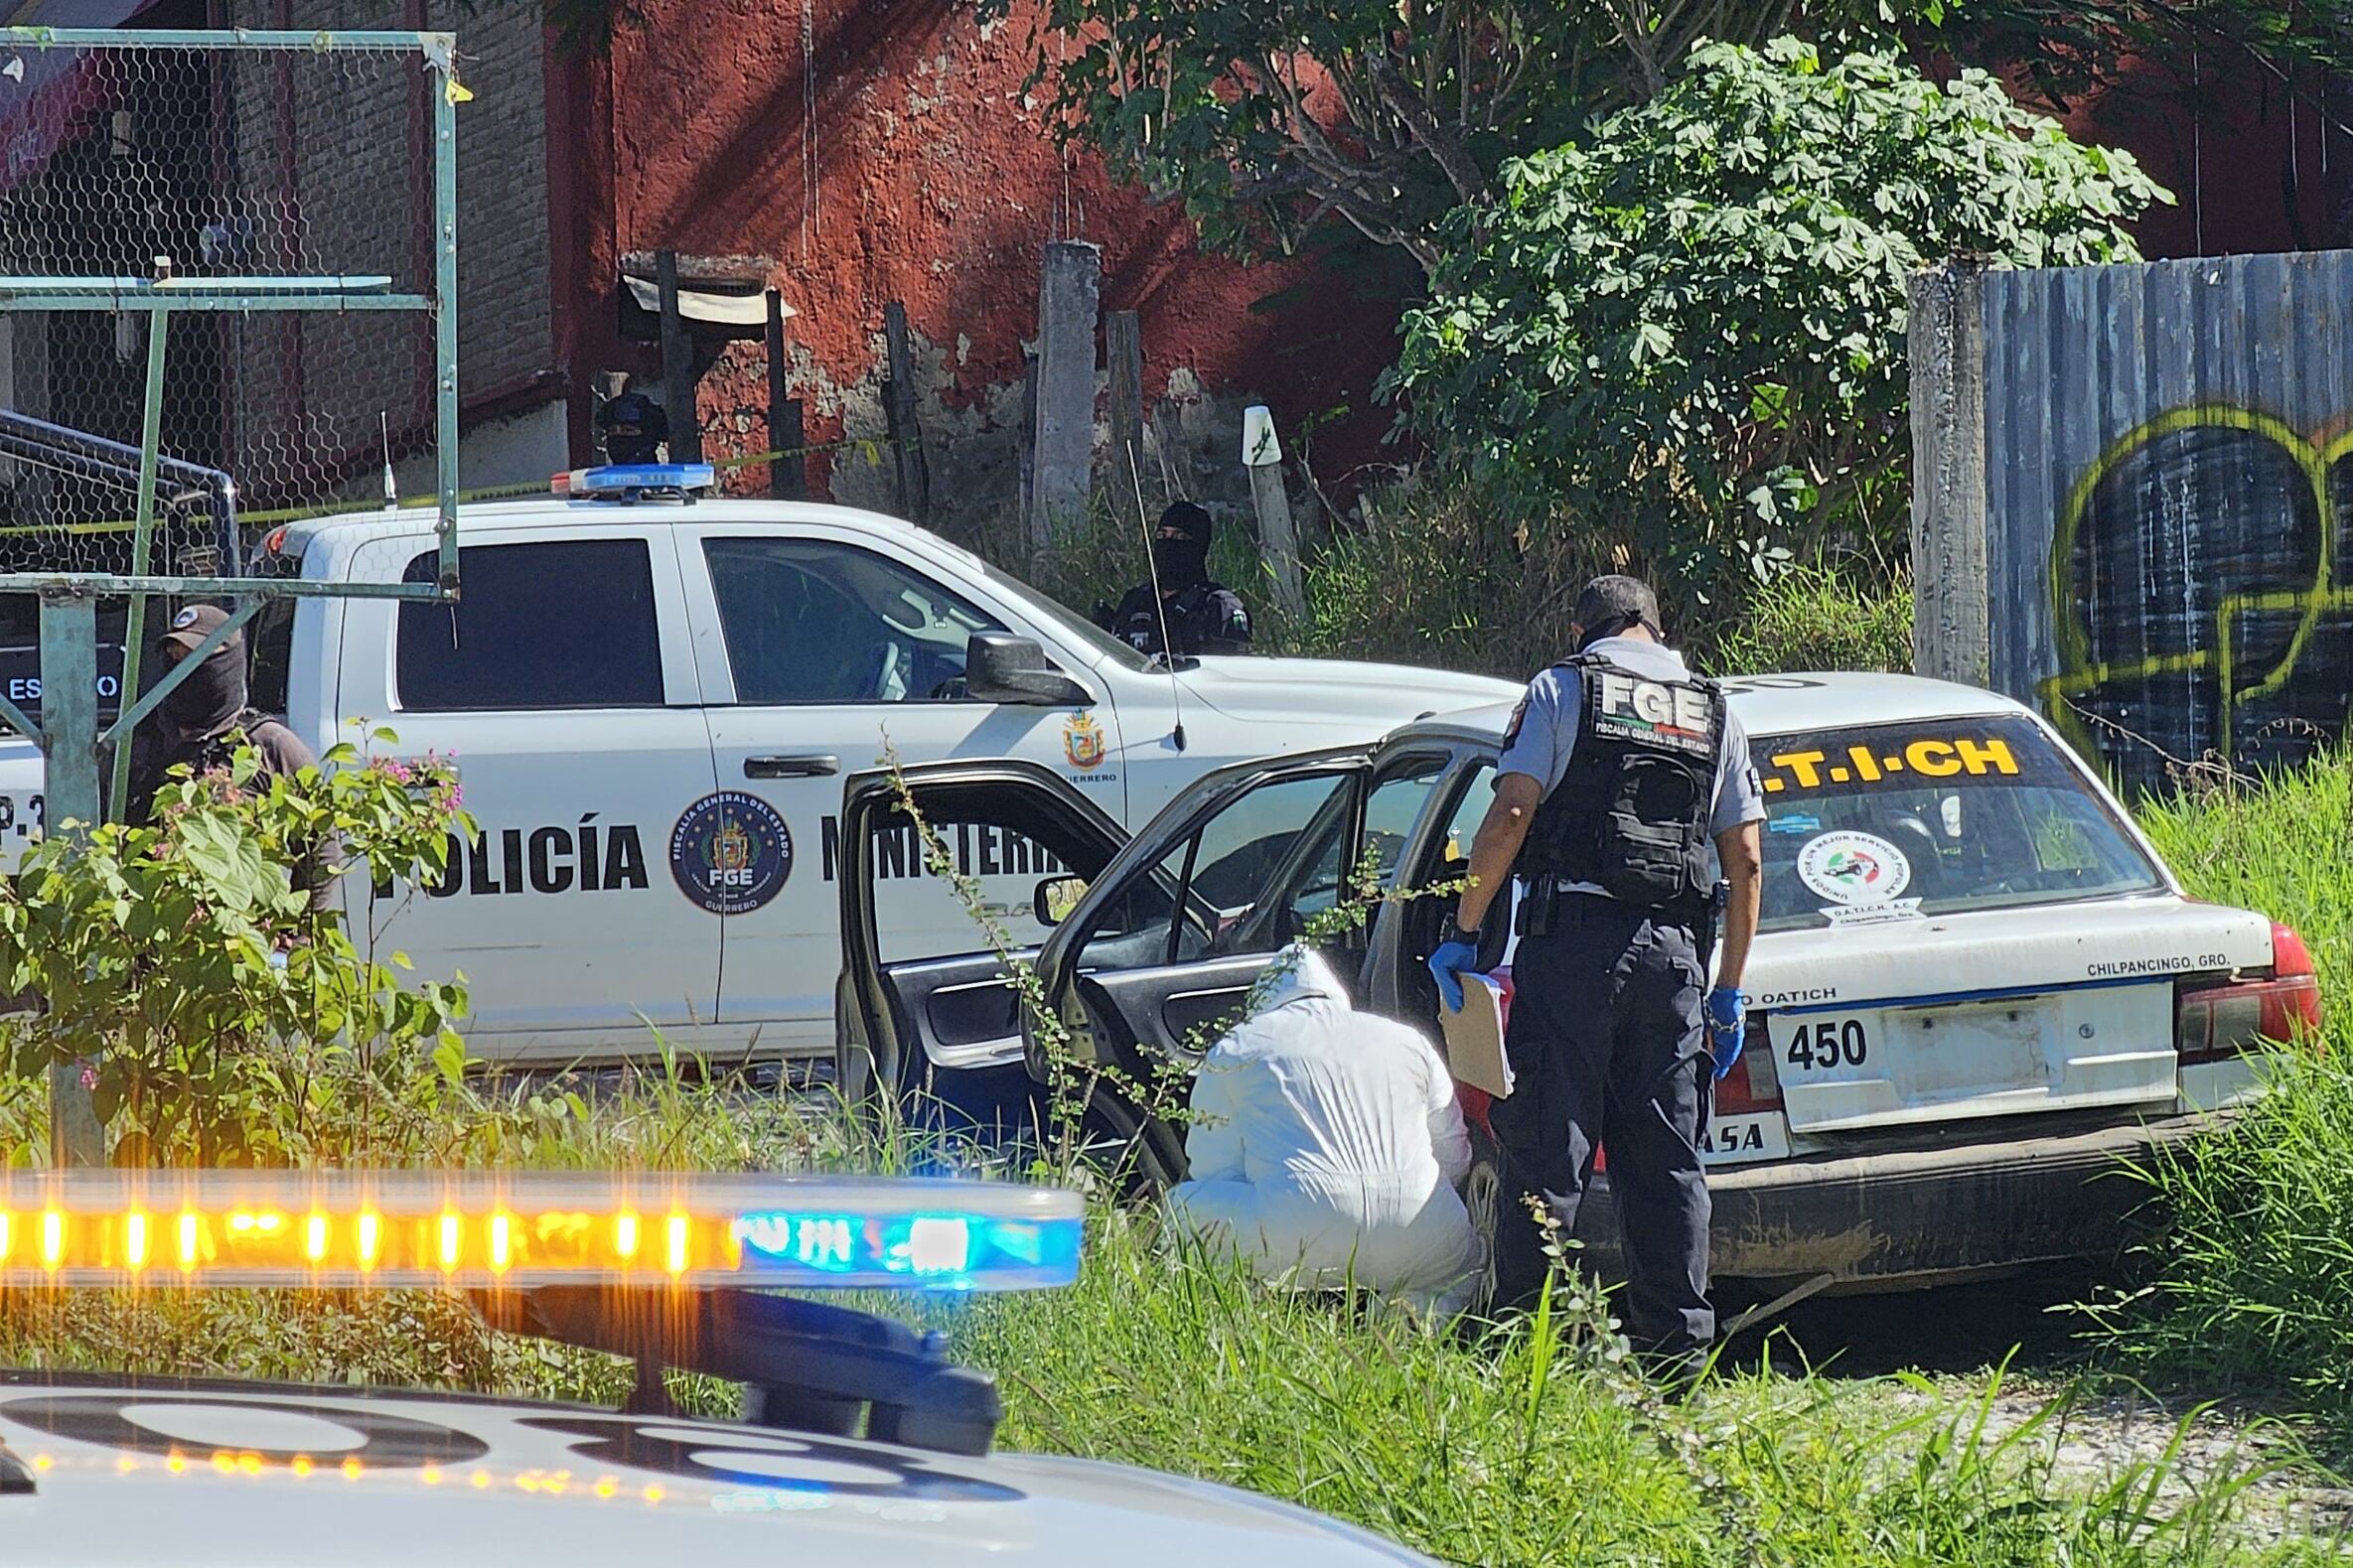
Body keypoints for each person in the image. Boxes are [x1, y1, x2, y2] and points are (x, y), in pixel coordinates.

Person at [1428, 575, 1764, 1381]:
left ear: (1585, 628)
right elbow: (1745, 857)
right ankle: (1676, 1364)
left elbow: (1510, 815)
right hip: (1676, 962)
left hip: (1573, 950)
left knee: (1546, 1154)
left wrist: (1465, 930)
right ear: (1654, 624)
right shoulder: (1717, 711)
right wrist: (1727, 987)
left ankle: (1525, 1360)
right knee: (1668, 1163)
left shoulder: (1560, 687)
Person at [1167, 945, 1482, 1318]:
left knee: (1181, 1210)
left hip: (1296, 1233)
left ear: (1263, 1000)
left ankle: (1238, 1325)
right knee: (1462, 1268)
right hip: (1421, 1228)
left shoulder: (1236, 1048)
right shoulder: (1407, 1038)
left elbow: (1212, 1169)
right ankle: (1405, 1325)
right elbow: (1454, 1153)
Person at [124, 605, 330, 912]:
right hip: (149, 942)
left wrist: (299, 938)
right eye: (175, 658)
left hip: (240, 938)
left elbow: (321, 847)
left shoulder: (269, 747)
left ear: (226, 662)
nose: (182, 669)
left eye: (196, 658)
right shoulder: (140, 740)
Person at [1096, 500, 1252, 657]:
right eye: (1162, 535)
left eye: (1180, 536)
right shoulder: (1136, 600)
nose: (1169, 544)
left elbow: (1227, 673)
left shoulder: (1219, 606)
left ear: (1199, 545)